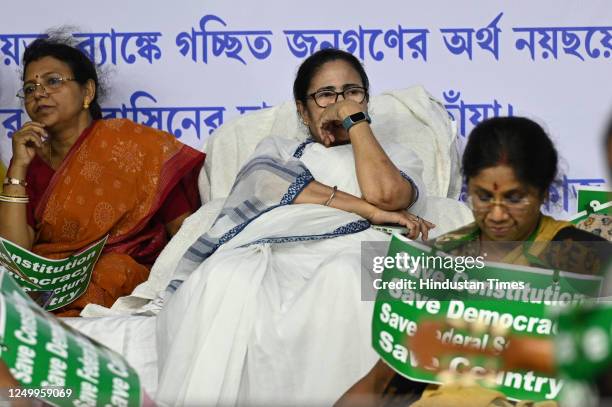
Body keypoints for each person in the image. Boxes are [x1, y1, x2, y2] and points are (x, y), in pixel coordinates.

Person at [154, 48, 435, 406]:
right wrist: (368, 210)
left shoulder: (398, 156)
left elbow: (387, 195)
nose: (339, 103)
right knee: (226, 277)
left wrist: (354, 122)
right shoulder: (281, 150)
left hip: (359, 249)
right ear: (303, 111)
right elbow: (267, 186)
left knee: (344, 275)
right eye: (325, 95)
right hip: (277, 250)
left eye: (352, 92)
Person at [335, 116, 610, 407]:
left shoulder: (587, 260)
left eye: (515, 198)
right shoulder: (443, 259)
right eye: (483, 197)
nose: (497, 214)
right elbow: (384, 379)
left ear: (542, 191)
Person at [0, 36, 205, 316]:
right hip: (46, 281)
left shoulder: (135, 146)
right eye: (30, 87)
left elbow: (183, 231)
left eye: (53, 81)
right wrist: (18, 169)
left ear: (87, 92)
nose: (39, 93)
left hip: (118, 272)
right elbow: (15, 257)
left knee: (113, 270)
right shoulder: (30, 162)